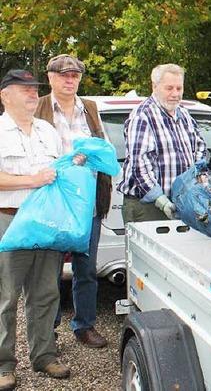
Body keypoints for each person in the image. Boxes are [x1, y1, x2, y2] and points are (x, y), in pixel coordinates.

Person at [0, 70, 70, 389]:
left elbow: (61, 171)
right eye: (24, 89)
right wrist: (32, 180)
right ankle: (4, 364)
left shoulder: (47, 130)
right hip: (9, 220)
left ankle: (44, 356)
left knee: (45, 293)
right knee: (6, 296)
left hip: (46, 222)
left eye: (34, 89)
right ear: (5, 95)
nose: (32, 93)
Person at [35, 54, 110, 348]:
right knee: (49, 272)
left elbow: (103, 147)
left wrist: (93, 155)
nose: (70, 80)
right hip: (52, 202)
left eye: (75, 75)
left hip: (87, 203)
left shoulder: (89, 108)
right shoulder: (39, 106)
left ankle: (84, 325)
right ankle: (48, 331)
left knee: (86, 268)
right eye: (63, 75)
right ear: (51, 77)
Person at [118, 64, 206, 223]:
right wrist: (160, 199)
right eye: (169, 88)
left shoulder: (184, 113)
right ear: (154, 86)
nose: (175, 94)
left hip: (183, 203)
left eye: (179, 88)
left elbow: (199, 147)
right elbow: (139, 164)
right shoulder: (142, 115)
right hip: (147, 207)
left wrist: (198, 179)